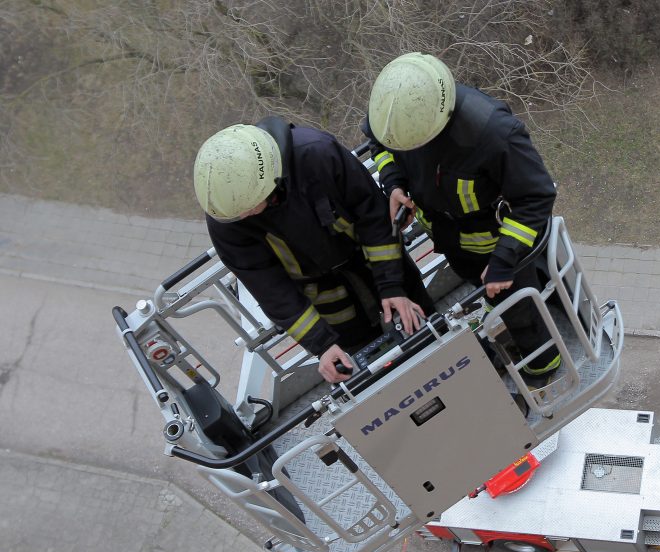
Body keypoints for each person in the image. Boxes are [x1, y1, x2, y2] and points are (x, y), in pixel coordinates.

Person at [362, 52, 561, 386]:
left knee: (519, 311)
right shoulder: (392, 120)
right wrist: (395, 183)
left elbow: (536, 196)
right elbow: (379, 147)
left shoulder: (493, 133)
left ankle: (542, 368)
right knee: (489, 294)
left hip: (499, 247)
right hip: (453, 242)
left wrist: (503, 260)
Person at [193, 116, 433, 383]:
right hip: (328, 302)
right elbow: (273, 291)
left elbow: (373, 216)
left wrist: (392, 286)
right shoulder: (227, 215)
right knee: (371, 373)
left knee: (426, 329)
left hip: (374, 263)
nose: (244, 216)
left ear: (269, 184)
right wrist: (323, 346)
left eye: (248, 209)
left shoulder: (316, 155)